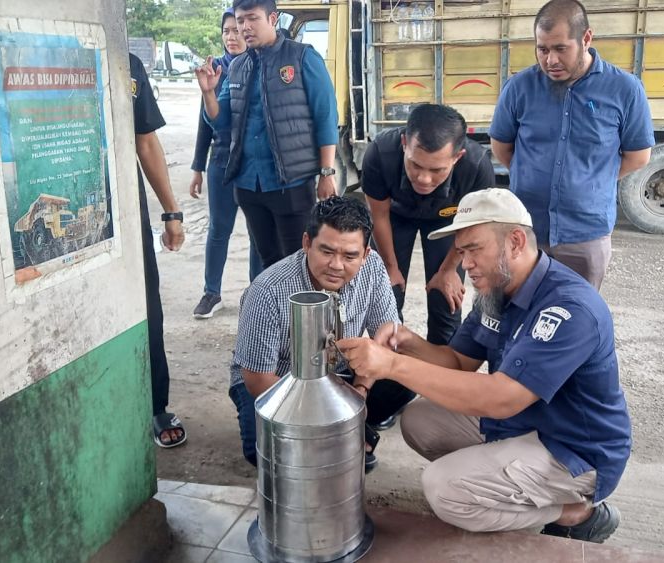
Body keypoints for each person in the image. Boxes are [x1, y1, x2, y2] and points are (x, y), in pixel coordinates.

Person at [337, 188, 631, 542]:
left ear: (516, 242)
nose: (465, 264)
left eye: (474, 249)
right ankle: (501, 479)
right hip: (525, 424)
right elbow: (458, 362)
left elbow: (501, 398)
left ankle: (575, 512)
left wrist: (392, 366)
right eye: (461, 252)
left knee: (444, 489)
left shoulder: (569, 309)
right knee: (419, 420)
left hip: (574, 449)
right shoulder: (497, 290)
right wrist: (407, 341)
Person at [228, 196, 415, 470]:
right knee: (262, 452)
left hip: (342, 373)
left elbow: (386, 341)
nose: (336, 265)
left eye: (350, 256)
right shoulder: (268, 290)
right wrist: (327, 419)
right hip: (280, 383)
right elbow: (258, 379)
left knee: (407, 372)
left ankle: (351, 433)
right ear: (306, 243)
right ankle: (344, 440)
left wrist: (361, 389)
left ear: (365, 254)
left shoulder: (373, 268)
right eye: (326, 252)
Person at [489, 0, 654, 290]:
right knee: (518, 317)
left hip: (585, 236)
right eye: (542, 49)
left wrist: (592, 181)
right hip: (527, 232)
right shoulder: (519, 88)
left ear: (586, 39)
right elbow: (502, 147)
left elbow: (638, 156)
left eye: (560, 48)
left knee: (576, 320)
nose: (550, 60)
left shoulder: (625, 89)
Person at [195, 0, 340, 270]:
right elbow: (221, 120)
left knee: (299, 261)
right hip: (249, 184)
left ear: (272, 19)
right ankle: (273, 312)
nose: (245, 27)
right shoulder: (237, 66)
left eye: (252, 18)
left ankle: (301, 312)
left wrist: (327, 172)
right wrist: (208, 93)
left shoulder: (302, 57)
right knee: (268, 262)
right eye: (240, 21)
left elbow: (326, 116)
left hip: (291, 183)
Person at [362, 104, 495, 345]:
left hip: (449, 221)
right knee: (388, 294)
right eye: (415, 165)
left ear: (457, 158)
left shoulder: (476, 166)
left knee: (446, 298)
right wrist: (391, 268)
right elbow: (379, 215)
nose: (424, 178)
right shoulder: (380, 153)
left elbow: (473, 227)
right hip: (395, 217)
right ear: (404, 144)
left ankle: (439, 372)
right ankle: (389, 369)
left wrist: (447, 271)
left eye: (437, 170)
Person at [129, 53, 187, 448]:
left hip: (124, 213)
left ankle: (155, 405)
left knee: (147, 307)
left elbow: (145, 140)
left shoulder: (127, 64)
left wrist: (171, 211)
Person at [190, 8, 262, 319]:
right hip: (221, 162)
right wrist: (197, 167)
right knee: (219, 229)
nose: (232, 36)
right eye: (227, 31)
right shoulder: (215, 69)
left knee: (259, 232)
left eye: (237, 29)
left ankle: (256, 292)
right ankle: (211, 292)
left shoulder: (260, 66)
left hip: (252, 166)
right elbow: (205, 123)